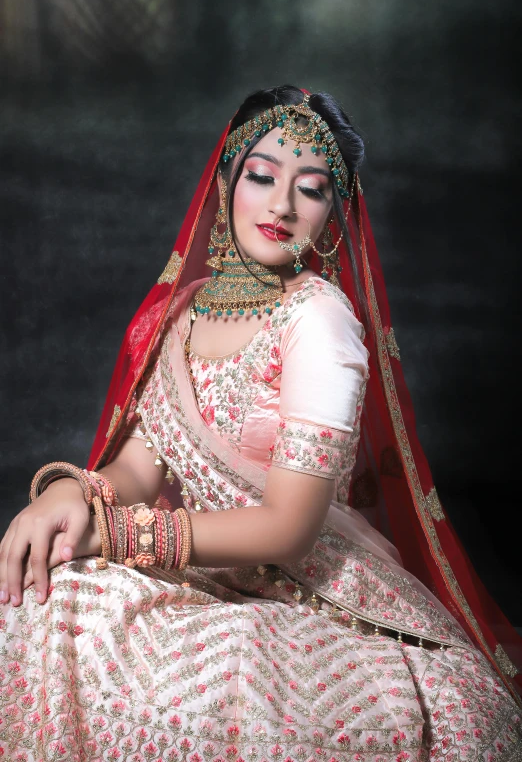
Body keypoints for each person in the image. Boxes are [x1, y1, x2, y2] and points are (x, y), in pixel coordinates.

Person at [0, 85, 520, 761]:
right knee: (44, 598)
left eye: (311, 189)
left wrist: (120, 532)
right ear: (224, 181)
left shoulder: (318, 319)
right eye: (262, 176)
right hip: (207, 576)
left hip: (316, 602)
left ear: (333, 211)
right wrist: (63, 499)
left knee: (226, 682)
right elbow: (136, 466)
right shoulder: (185, 313)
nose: (282, 205)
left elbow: (287, 526)